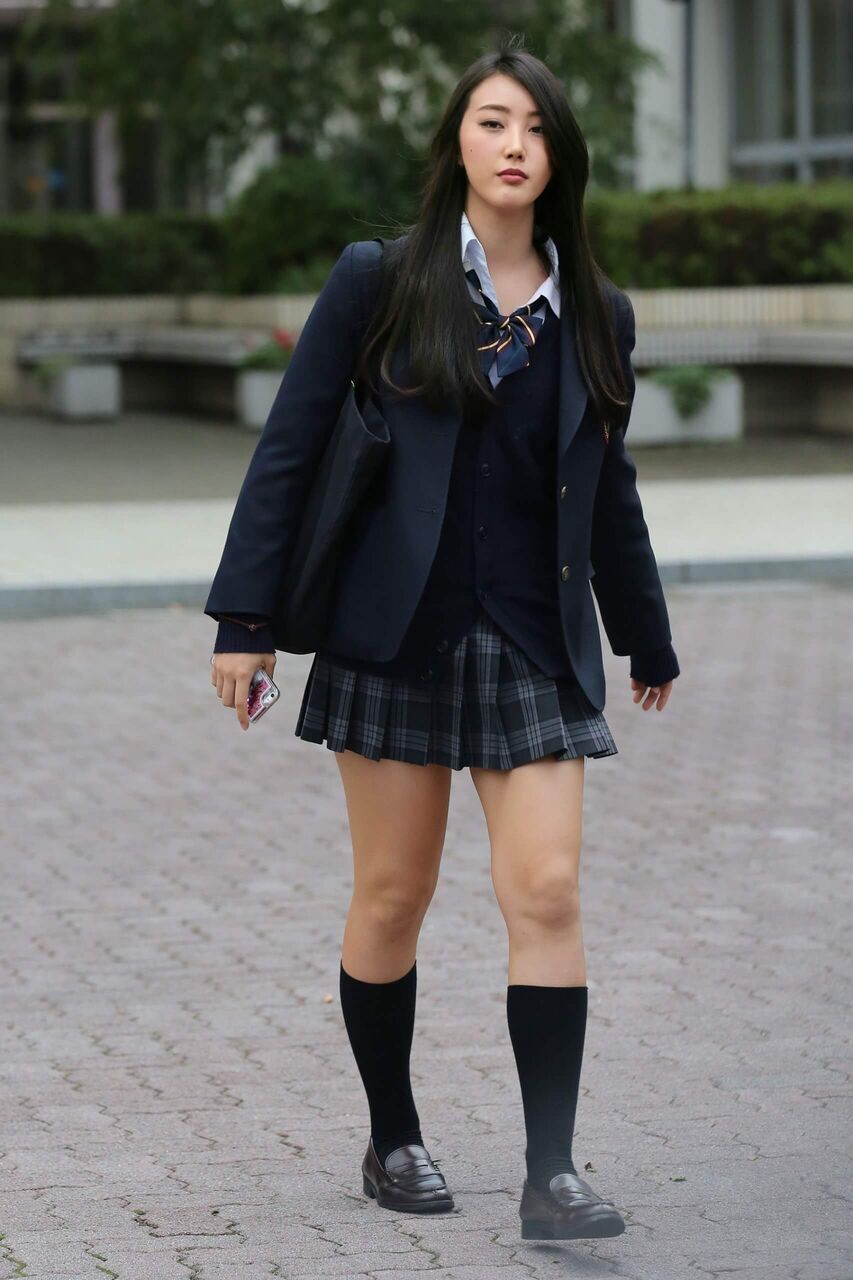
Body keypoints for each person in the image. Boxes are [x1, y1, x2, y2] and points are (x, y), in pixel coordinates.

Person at [206, 39, 679, 1243]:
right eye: (492, 121)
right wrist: (245, 623)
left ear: (560, 156)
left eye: (536, 127)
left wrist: (645, 634)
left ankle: (551, 1170)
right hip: (392, 632)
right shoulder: (381, 279)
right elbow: (291, 446)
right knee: (392, 892)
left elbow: (605, 484)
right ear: (457, 142)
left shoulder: (595, 309)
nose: (514, 144)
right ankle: (394, 1133)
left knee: (548, 888)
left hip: (532, 641)